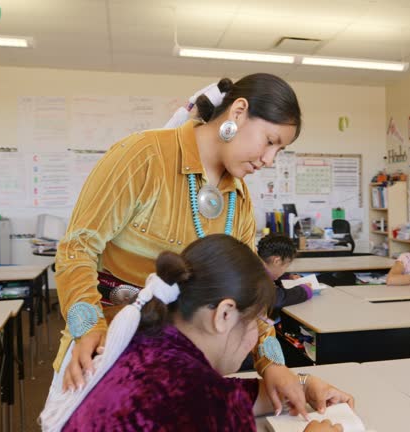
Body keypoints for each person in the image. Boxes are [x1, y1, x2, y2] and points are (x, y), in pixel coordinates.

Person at [53, 73, 314, 415]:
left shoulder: (239, 198)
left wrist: (272, 363)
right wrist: (88, 329)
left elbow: (251, 291)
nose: (269, 159)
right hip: (105, 360)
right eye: (270, 141)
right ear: (238, 112)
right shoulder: (143, 156)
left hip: (182, 373)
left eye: (279, 150)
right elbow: (77, 249)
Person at [40, 235, 352, 431]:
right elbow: (208, 402)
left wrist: (302, 385)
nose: (256, 338)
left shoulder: (145, 345)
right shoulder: (199, 401)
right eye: (258, 323)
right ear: (225, 314)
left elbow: (224, 395)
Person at [257, 233, 314, 315]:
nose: (285, 270)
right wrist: (304, 291)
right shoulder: (257, 278)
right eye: (286, 266)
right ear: (277, 261)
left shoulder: (256, 267)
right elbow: (277, 298)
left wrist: (286, 277)